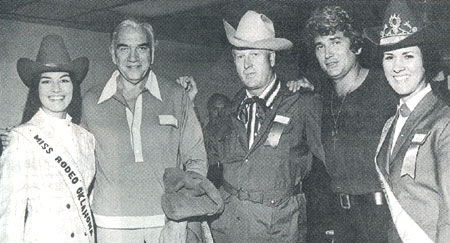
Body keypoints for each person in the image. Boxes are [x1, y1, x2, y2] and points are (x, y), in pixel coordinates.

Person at [80, 18, 208, 242]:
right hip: (110, 225)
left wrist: (180, 220)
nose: (133, 58)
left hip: (165, 224)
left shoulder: (176, 95)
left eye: (141, 48)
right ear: (112, 53)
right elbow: (79, 163)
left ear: (152, 52)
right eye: (124, 48)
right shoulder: (91, 100)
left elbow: (196, 162)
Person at [209, 10, 325, 242]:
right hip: (229, 227)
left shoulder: (301, 103)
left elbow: (330, 161)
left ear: (271, 58)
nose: (247, 65)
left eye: (255, 55)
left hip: (278, 229)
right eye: (240, 57)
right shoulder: (229, 111)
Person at [289, 5, 397, 242]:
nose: (327, 54)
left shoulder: (387, 88)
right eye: (320, 46)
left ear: (356, 45)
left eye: (335, 41)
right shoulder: (321, 99)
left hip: (385, 219)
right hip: (342, 218)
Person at [365, 0, 450, 242]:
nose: (397, 67)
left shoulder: (444, 123)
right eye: (389, 57)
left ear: (426, 61)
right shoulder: (389, 125)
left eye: (408, 55)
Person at [0, 34, 95, 242]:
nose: (56, 89)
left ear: (73, 86)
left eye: (64, 80)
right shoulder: (21, 139)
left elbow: (87, 204)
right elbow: (9, 218)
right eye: (46, 81)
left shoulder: (87, 139)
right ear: (36, 88)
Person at [204, 93, 233, 188]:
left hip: (227, 177)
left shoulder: (234, 133)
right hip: (205, 176)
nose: (220, 114)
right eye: (215, 109)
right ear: (208, 109)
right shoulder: (200, 132)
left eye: (223, 109)